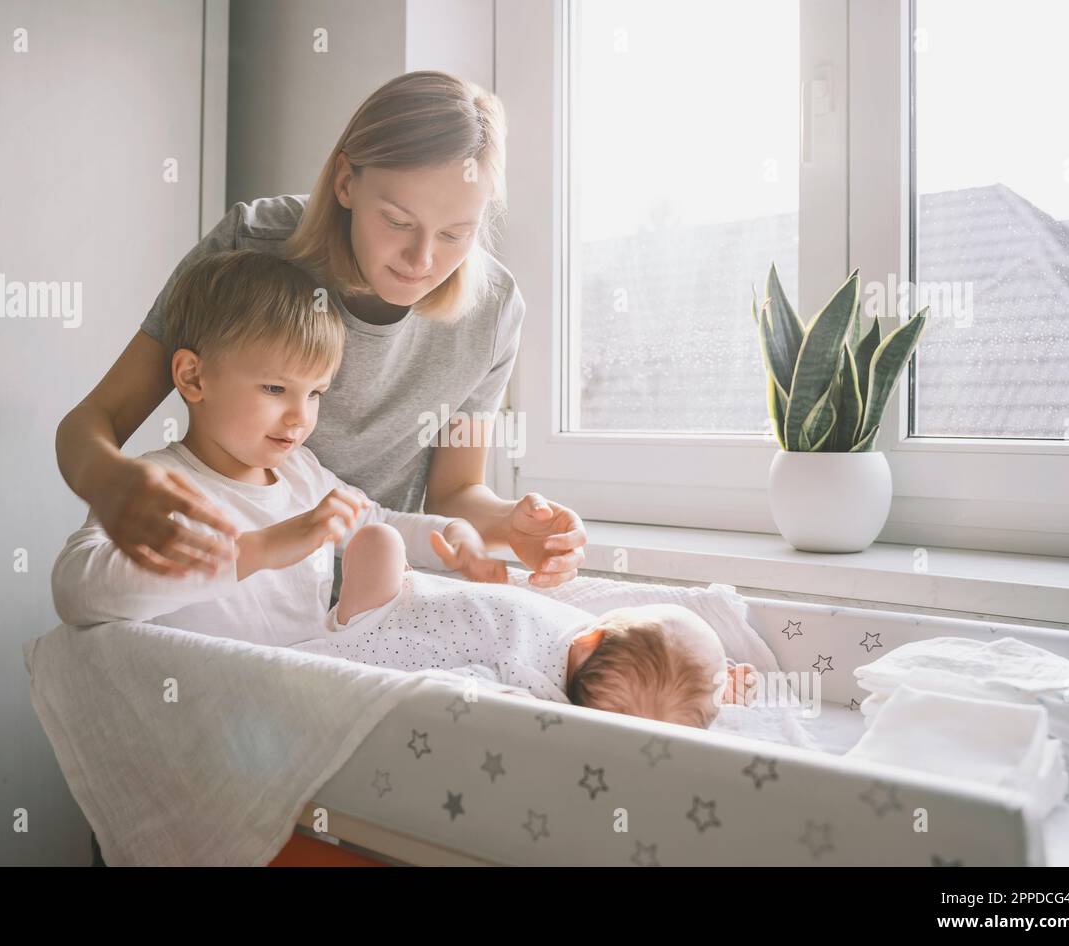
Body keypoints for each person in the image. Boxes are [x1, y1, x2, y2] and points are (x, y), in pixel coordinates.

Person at [54, 71, 588, 611]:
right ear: (345, 182)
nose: (422, 260)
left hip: (361, 599)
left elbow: (455, 493)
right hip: (229, 594)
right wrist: (110, 483)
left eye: (456, 234)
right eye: (398, 221)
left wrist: (510, 527)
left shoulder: (491, 309)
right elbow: (97, 419)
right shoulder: (253, 247)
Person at [51, 251, 507, 638]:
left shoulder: (303, 474)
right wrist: (259, 550)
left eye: (314, 394)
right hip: (210, 705)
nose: (300, 417)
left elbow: (382, 520)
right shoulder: (160, 486)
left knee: (381, 542)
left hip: (304, 698)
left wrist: (453, 536)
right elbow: (77, 592)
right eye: (274, 389)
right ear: (193, 377)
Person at [297, 523, 756, 728]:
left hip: (382, 615)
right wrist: (708, 690)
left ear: (595, 635)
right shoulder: (583, 688)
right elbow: (664, 696)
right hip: (398, 625)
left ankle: (344, 627)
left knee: (378, 539)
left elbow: (461, 685)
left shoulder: (540, 679)